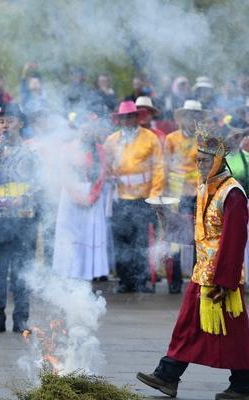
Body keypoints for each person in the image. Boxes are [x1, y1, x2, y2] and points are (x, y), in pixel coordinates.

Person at [136, 124, 249, 400]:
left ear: (218, 161)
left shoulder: (232, 194)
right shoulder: (204, 188)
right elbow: (199, 229)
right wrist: (168, 218)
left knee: (233, 333)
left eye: (204, 160)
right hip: (202, 274)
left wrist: (225, 281)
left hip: (222, 279)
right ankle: (168, 375)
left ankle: (243, 384)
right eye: (197, 160)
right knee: (187, 327)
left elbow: (234, 241)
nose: (199, 165)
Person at [0, 103, 38, 334]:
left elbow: (39, 182)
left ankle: (21, 317)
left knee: (22, 269)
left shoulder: (31, 153)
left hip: (24, 215)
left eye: (10, 121)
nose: (5, 126)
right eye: (2, 121)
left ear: (20, 124)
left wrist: (23, 197)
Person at [104, 100, 164, 294]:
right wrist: (108, 176)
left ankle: (141, 280)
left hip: (143, 197)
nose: (127, 120)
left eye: (130, 116)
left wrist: (155, 195)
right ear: (119, 119)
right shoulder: (112, 140)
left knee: (141, 241)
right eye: (124, 117)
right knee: (122, 240)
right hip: (120, 197)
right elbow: (105, 166)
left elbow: (159, 168)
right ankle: (124, 280)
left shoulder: (150, 138)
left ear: (137, 117)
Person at [52, 116, 109, 281]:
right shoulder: (67, 149)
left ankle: (88, 271)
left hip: (92, 192)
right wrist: (77, 196)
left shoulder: (100, 150)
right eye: (83, 129)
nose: (86, 133)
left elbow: (102, 174)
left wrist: (92, 195)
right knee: (71, 233)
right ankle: (70, 270)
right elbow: (63, 174)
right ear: (77, 130)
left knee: (89, 232)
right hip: (71, 193)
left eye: (89, 130)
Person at [163, 100, 205, 294]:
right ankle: (175, 280)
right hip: (178, 193)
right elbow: (165, 164)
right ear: (182, 118)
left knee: (199, 234)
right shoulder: (171, 139)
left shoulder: (204, 138)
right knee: (176, 238)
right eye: (189, 115)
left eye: (196, 115)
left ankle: (198, 277)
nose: (192, 119)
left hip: (199, 192)